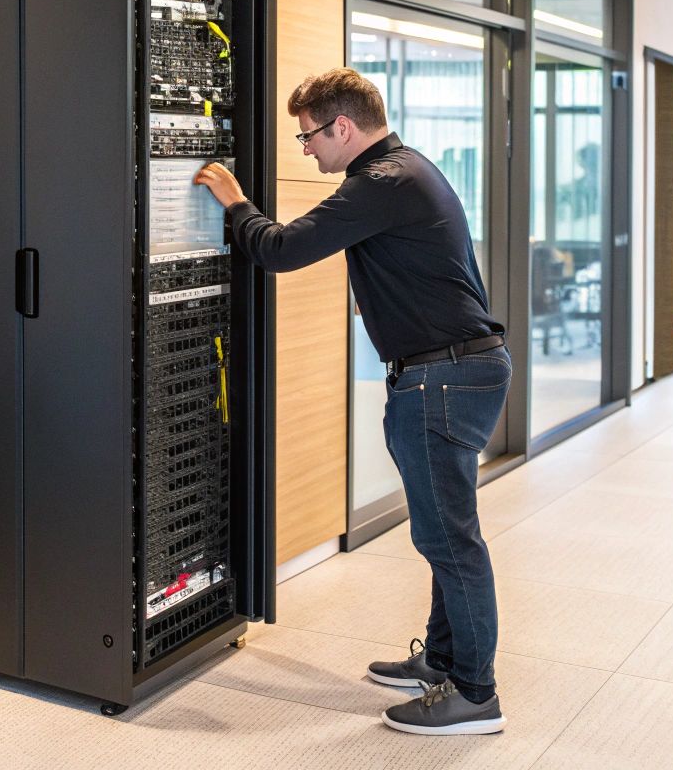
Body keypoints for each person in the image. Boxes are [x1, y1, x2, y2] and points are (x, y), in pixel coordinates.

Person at [194, 67, 509, 736]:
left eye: (307, 135)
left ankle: (475, 696)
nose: (305, 148)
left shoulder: (382, 184)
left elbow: (280, 250)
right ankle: (445, 663)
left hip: (444, 379)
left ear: (342, 127)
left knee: (449, 540)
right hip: (453, 372)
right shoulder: (405, 171)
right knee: (445, 533)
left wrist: (233, 199)